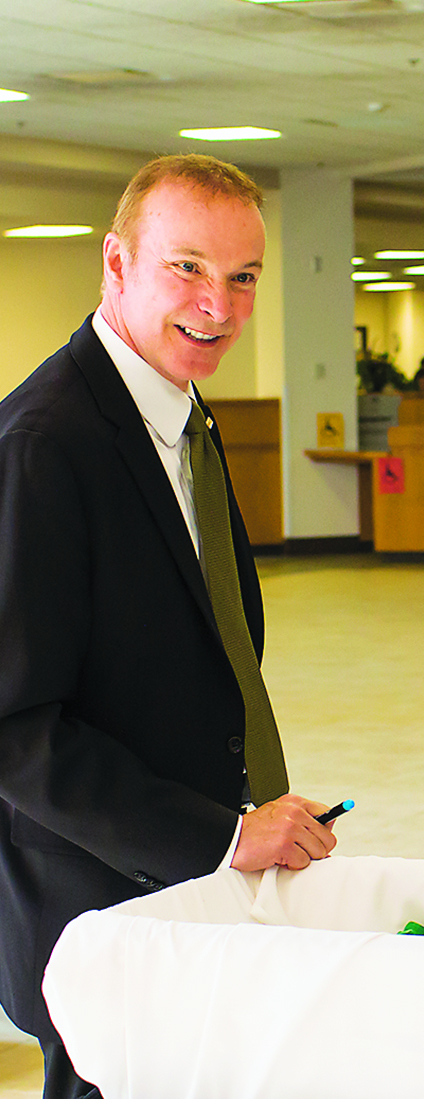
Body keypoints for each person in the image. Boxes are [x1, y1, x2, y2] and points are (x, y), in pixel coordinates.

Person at [0, 154, 338, 1099]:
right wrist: (216, 838)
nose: (218, 306)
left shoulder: (182, 414)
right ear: (116, 264)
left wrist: (241, 817)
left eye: (242, 278)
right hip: (96, 902)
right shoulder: (43, 444)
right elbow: (15, 727)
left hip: (181, 883)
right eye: (186, 267)